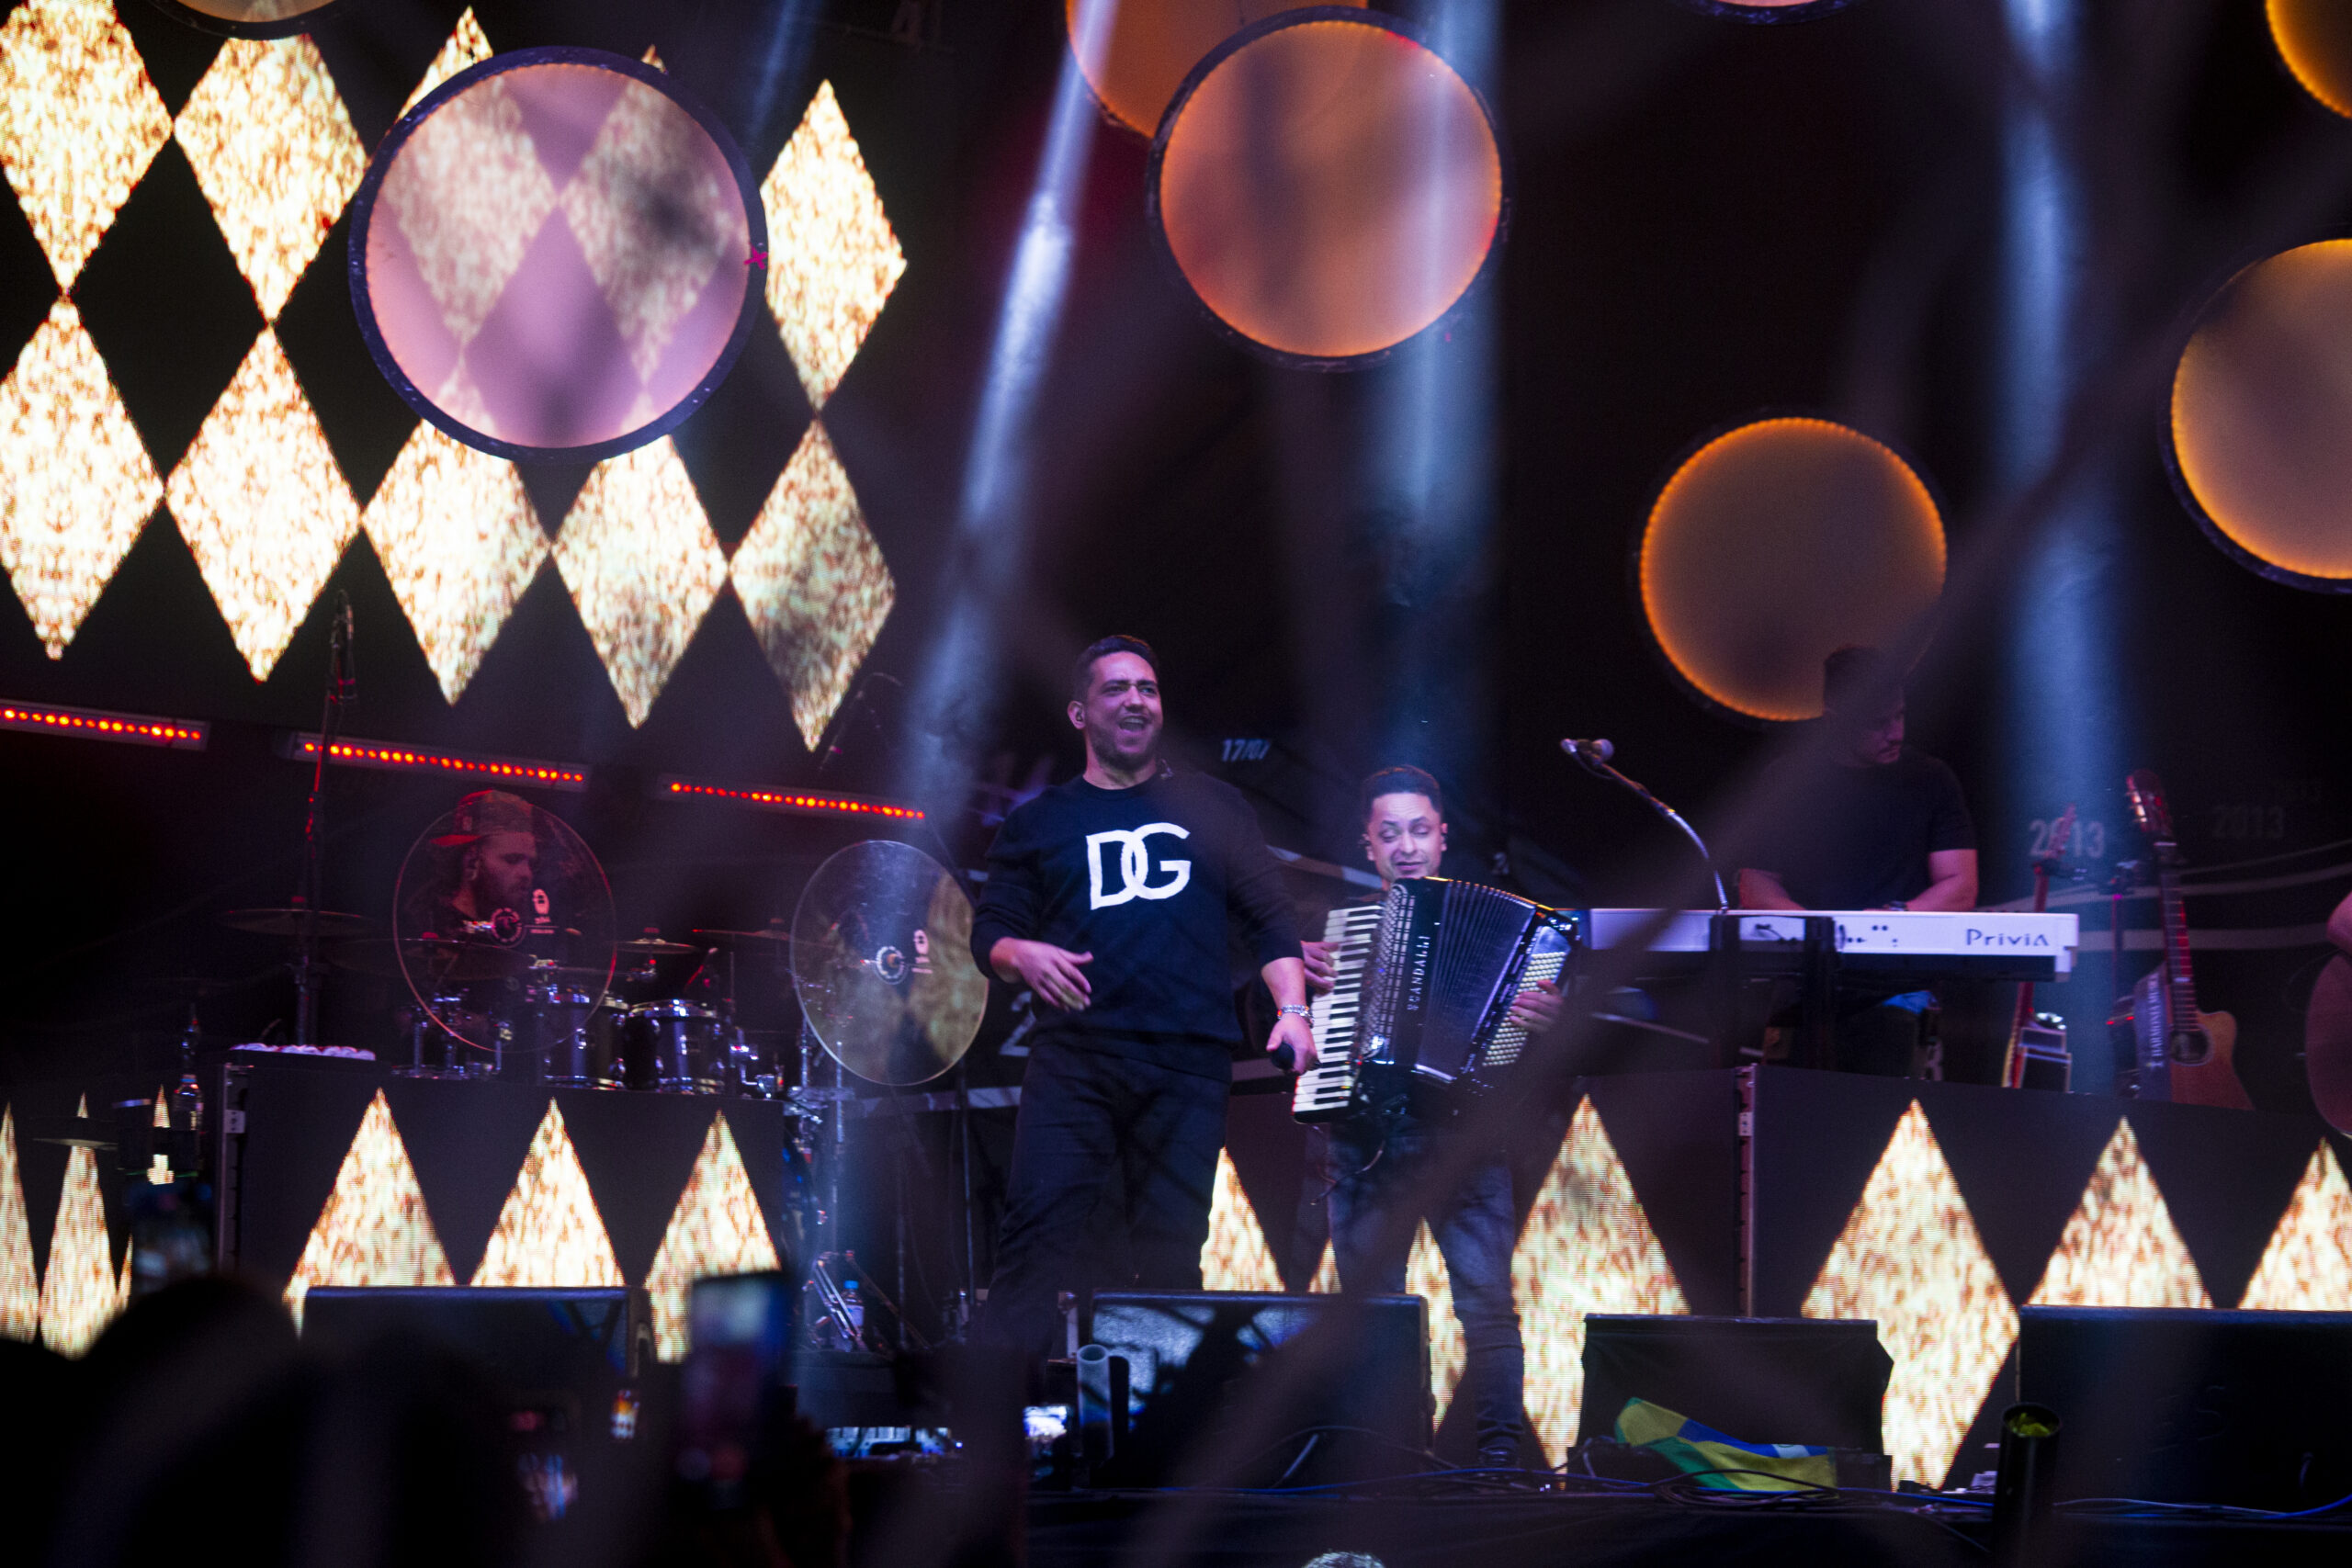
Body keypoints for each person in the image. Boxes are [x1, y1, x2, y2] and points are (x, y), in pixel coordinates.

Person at [970, 636, 1311, 1361]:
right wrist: (1022, 954)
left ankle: (1163, 1422)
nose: (1136, 700)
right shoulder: (1038, 823)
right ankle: (996, 1421)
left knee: (1170, 1252)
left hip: (1186, 1063)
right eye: (1116, 688)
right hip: (1076, 1062)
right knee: (1035, 1239)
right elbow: (989, 933)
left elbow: (1271, 921)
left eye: (1147, 689)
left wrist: (1292, 1010)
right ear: (1079, 713)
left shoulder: (1215, 805)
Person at [1299, 765, 1561, 1469]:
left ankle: (1500, 1461)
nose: (1407, 846)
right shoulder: (1340, 931)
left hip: (1465, 1135)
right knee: (1375, 1311)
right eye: (1390, 833)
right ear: (1368, 845)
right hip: (1363, 1139)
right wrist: (1304, 991)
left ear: (1443, 837)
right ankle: (1393, 1458)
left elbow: (1533, 1046)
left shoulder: (1515, 929)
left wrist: (1548, 1019)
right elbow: (1294, 1028)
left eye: (1419, 830)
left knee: (1488, 1305)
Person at [1736, 645, 1978, 1075]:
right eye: (1877, 723)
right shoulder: (1789, 782)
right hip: (1804, 984)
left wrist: (1892, 919)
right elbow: (1754, 885)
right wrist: (1813, 930)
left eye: (1900, 715)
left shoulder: (1930, 779)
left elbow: (1960, 885)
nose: (1895, 733)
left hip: (1897, 986)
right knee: (1791, 1108)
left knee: (1883, 1108)